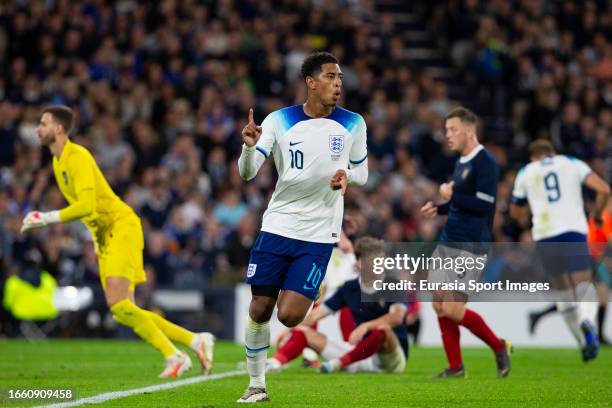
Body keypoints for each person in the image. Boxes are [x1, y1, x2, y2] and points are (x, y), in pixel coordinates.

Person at [20, 106, 214, 377]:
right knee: (125, 311)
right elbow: (89, 209)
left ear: (59, 129)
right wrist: (97, 240)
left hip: (121, 226)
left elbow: (86, 206)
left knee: (118, 304)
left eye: (43, 123)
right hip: (106, 235)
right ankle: (190, 344)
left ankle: (181, 351)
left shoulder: (77, 157)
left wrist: (45, 217)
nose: (38, 129)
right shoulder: (57, 162)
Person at [236, 51, 368, 403]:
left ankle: (312, 285)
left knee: (291, 316)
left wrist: (349, 176)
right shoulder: (279, 120)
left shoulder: (354, 123)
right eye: (330, 77)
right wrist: (248, 149)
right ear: (311, 82)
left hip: (319, 233)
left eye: (340, 77)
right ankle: (256, 385)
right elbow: (247, 172)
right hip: (278, 225)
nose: (338, 83)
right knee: (260, 309)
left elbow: (364, 171)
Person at [421, 107, 511, 379]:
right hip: (448, 240)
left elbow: (483, 204)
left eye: (453, 130)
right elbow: (461, 203)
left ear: (469, 131)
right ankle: (456, 367)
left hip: (470, 246)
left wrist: (452, 194)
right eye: (446, 130)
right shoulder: (461, 161)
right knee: (438, 304)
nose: (447, 135)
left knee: (452, 308)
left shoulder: (486, 162)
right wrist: (440, 207)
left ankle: (498, 346)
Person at [510, 139, 610, 360]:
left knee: (562, 291)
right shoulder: (572, 163)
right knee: (583, 283)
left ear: (532, 157)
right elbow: (604, 189)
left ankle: (582, 343)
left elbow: (515, 212)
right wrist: (596, 216)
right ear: (553, 153)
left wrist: (526, 215)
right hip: (573, 231)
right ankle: (587, 321)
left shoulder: (527, 171)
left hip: (545, 235)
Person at [266, 236, 407, 374]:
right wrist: (290, 329)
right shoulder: (349, 288)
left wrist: (366, 326)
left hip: (389, 359)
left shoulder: (393, 284)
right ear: (360, 263)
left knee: (383, 329)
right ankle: (274, 363)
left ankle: (336, 364)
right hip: (358, 355)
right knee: (303, 331)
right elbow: (316, 315)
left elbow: (397, 317)